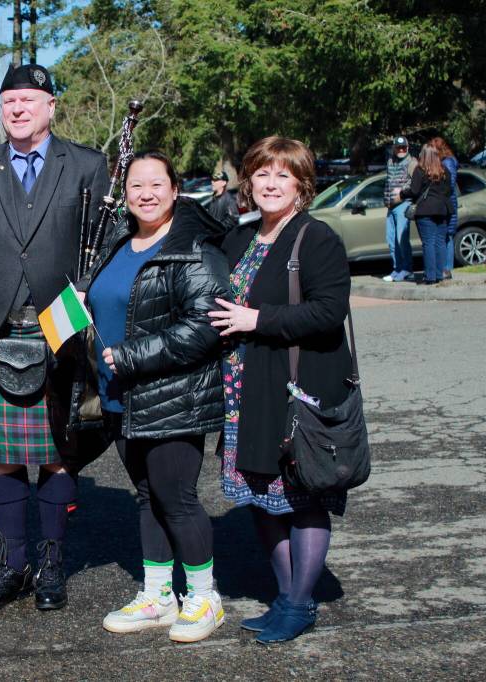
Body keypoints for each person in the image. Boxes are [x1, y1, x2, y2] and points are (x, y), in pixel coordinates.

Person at [0, 63, 109, 612]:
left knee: (58, 452)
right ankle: (13, 564)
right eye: (8, 99)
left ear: (50, 107)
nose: (17, 108)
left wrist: (84, 296)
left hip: (61, 330)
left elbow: (107, 242)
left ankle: (52, 563)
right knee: (1, 459)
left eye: (29, 100)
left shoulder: (86, 165)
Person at [209, 136, 353, 644]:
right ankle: (289, 597)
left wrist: (257, 318)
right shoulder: (240, 238)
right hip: (242, 391)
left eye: (283, 176)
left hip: (295, 389)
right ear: (249, 180)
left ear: (302, 185)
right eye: (262, 174)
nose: (270, 184)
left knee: (302, 498)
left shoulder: (315, 238)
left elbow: (327, 311)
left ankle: (297, 603)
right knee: (260, 494)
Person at [83, 151, 230, 642]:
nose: (145, 194)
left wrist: (132, 355)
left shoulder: (192, 248)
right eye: (135, 186)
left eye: (156, 185)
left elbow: (207, 326)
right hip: (120, 395)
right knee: (146, 496)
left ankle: (205, 597)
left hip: (174, 396)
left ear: (175, 189)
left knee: (178, 498)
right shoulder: (119, 242)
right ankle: (158, 596)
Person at [399, 144, 452, 285]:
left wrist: (402, 192)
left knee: (428, 243)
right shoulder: (444, 170)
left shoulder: (420, 170)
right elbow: (449, 190)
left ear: (424, 155)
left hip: (425, 210)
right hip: (442, 210)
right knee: (440, 242)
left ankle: (430, 276)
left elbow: (414, 191)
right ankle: (439, 274)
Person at [383, 136, 417, 282]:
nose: (401, 150)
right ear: (394, 148)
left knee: (401, 238)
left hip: (403, 204)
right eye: (399, 147)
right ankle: (397, 268)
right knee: (391, 239)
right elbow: (388, 182)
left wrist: (401, 194)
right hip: (390, 206)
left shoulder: (412, 162)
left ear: (408, 147)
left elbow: (414, 184)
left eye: (404, 147)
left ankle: (406, 269)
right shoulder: (390, 161)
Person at [430, 137, 459, 279]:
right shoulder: (443, 162)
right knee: (444, 235)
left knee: (448, 235)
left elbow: (450, 184)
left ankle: (447, 269)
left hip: (448, 203)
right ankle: (444, 268)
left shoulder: (448, 162)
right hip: (445, 202)